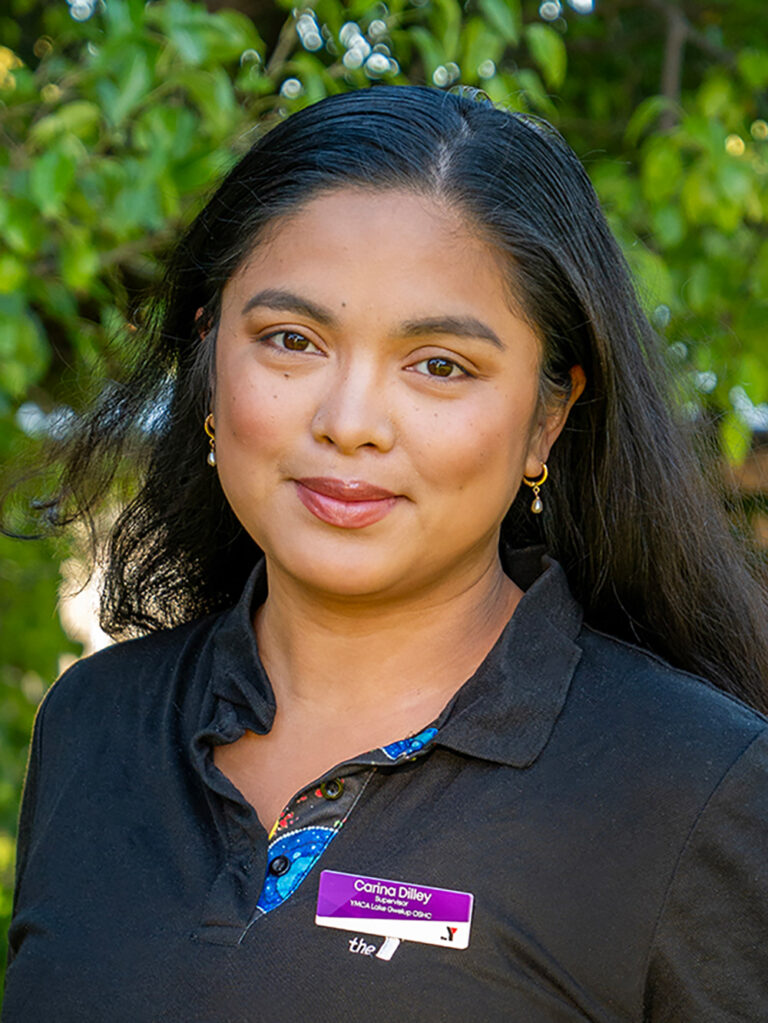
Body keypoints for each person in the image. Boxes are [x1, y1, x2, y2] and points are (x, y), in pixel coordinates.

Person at [3, 85, 768, 1022]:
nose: (350, 422)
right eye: (292, 341)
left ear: (547, 418)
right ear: (208, 359)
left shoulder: (696, 785)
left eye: (439, 364)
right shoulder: (95, 722)